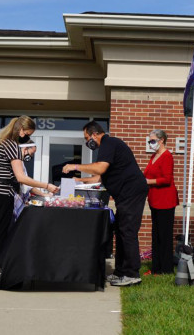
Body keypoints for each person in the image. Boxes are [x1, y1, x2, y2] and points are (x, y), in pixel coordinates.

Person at [62, 121, 148, 287]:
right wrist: (78, 180)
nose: (87, 142)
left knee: (128, 231)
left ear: (95, 134)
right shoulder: (107, 148)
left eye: (87, 138)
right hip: (124, 194)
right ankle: (120, 272)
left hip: (131, 191)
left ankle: (132, 274)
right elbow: (98, 179)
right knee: (120, 230)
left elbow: (100, 169)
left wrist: (75, 166)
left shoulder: (109, 143)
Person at [0, 116, 58, 289]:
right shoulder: (12, 146)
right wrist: (47, 186)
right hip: (3, 194)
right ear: (21, 131)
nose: (26, 137)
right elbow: (21, 177)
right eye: (27, 134)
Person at [143, 129, 179, 275]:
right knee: (156, 235)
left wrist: (148, 181)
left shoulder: (167, 156)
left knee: (164, 236)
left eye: (152, 141)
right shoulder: (154, 156)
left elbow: (167, 179)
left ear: (161, 140)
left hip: (165, 201)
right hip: (154, 200)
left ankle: (166, 269)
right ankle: (156, 267)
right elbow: (145, 173)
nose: (150, 143)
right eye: (149, 141)